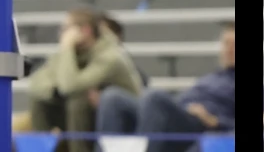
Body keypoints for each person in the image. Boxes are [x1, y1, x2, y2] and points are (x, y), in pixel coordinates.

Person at [96, 22, 235, 152]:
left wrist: (215, 121)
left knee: (154, 97)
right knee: (112, 97)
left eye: (234, 45)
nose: (228, 50)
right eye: (226, 44)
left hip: (198, 126)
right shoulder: (212, 76)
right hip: (178, 112)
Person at [26, 8, 141, 152]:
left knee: (78, 100)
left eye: (66, 29)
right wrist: (53, 89)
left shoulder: (110, 56)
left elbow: (70, 87)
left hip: (121, 119)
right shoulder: (72, 53)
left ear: (85, 30)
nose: (62, 34)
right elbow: (37, 84)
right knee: (40, 100)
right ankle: (44, 149)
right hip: (88, 117)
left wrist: (66, 49)